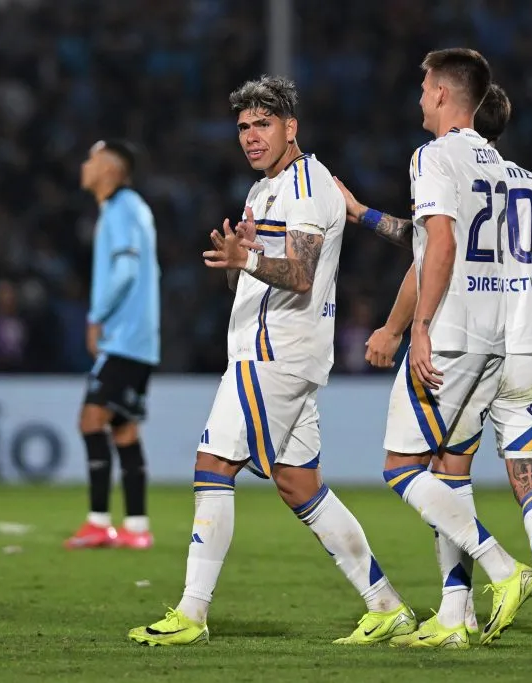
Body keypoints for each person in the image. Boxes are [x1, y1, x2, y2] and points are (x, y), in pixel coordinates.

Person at [128, 75, 414, 647]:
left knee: (213, 464)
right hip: (278, 349)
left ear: (291, 128)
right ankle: (386, 606)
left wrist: (249, 261)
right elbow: (258, 276)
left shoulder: (306, 185)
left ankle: (191, 612)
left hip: (274, 352)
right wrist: (240, 259)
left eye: (263, 124)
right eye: (243, 127)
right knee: (298, 484)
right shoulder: (265, 190)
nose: (252, 137)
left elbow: (302, 276)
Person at [336, 83, 532, 645]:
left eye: (423, 90)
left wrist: (403, 328)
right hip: (524, 346)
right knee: (523, 480)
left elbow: (433, 253)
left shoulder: (442, 162)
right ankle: (483, 601)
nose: (419, 99)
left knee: (418, 468)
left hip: (461, 335)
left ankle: (496, 576)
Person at [66, 139, 160, 550]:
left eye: (91, 158)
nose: (85, 165)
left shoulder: (121, 209)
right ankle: (136, 527)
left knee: (91, 421)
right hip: (141, 338)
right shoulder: (134, 207)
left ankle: (98, 521)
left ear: (108, 167)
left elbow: (124, 270)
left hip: (124, 338)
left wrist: (96, 316)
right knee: (123, 429)